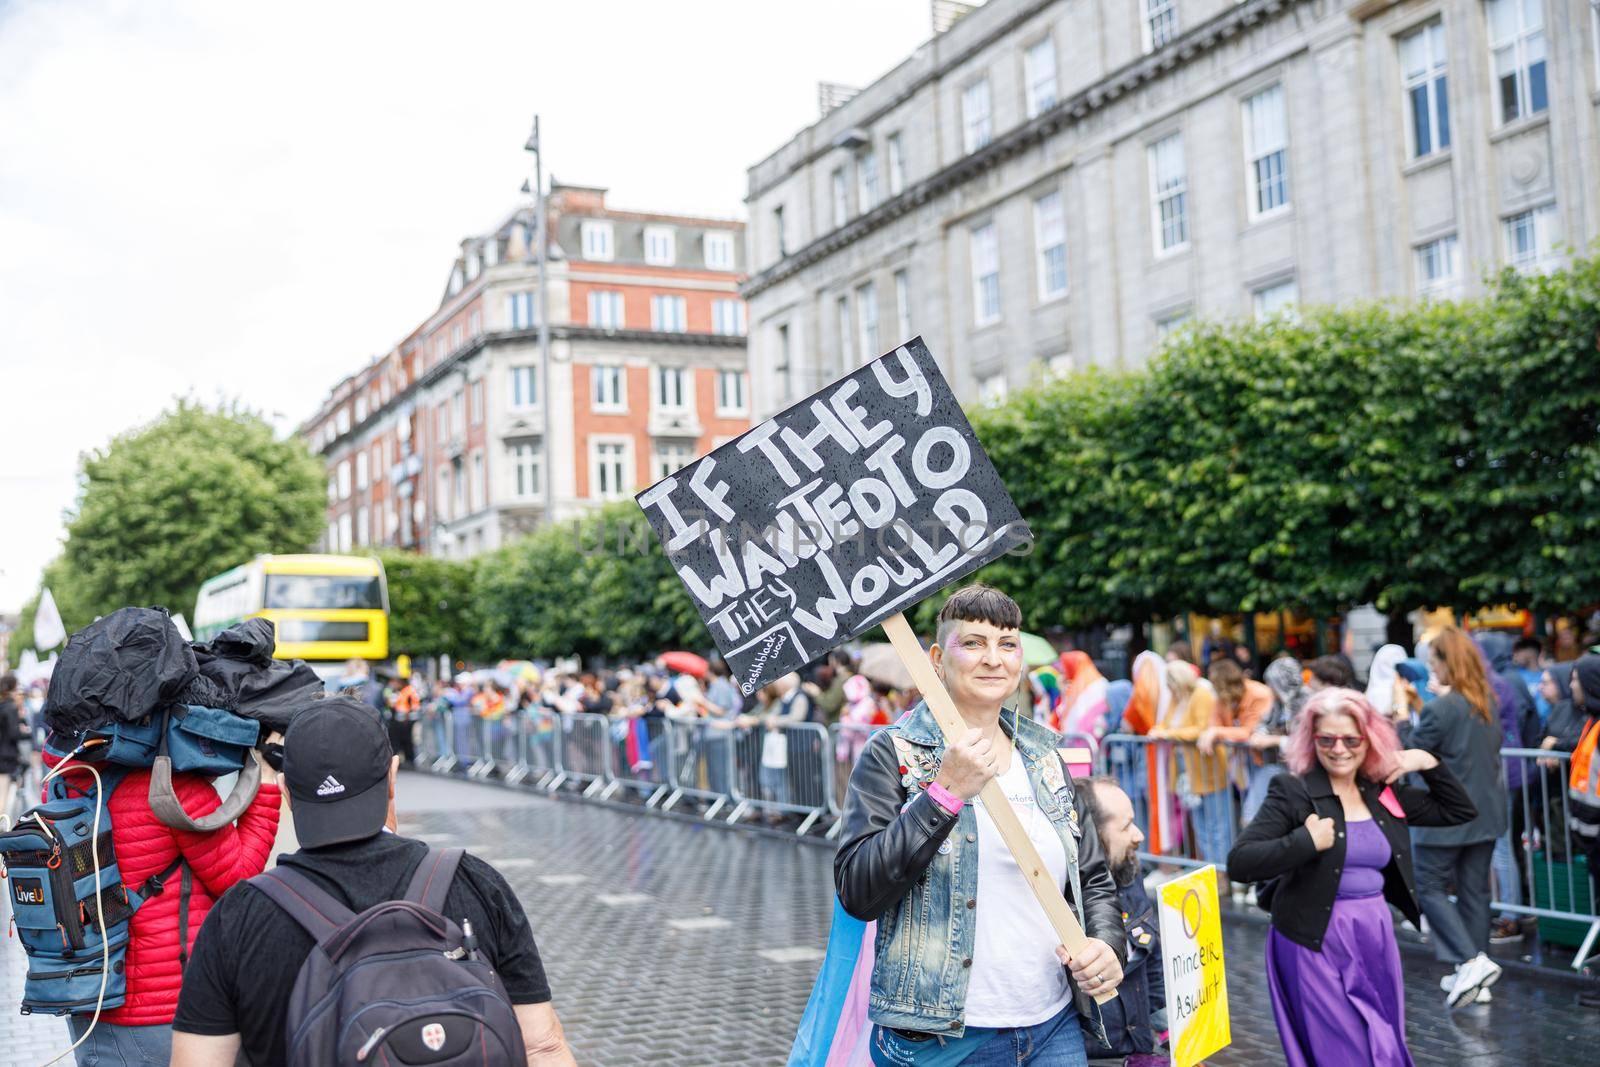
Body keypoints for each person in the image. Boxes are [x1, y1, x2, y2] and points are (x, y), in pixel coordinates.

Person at [170, 697, 577, 1066]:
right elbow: (542, 1046)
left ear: (287, 793)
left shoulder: (241, 915)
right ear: (392, 775)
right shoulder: (475, 883)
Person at [836, 584, 1125, 1064]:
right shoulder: (893, 754)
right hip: (945, 1037)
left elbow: (1092, 877)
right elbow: (858, 890)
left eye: (1006, 644)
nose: (993, 659)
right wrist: (944, 794)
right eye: (972, 643)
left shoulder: (1046, 756)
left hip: (1053, 1027)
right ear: (935, 657)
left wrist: (1106, 946)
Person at [1228, 688, 1476, 1064]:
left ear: (1369, 739)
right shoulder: (1294, 792)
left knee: (1383, 1038)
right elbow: (1240, 862)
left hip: (1373, 937)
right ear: (1312, 741)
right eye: (1326, 739)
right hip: (1311, 940)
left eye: (1351, 739)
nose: (1339, 749)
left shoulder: (1379, 791)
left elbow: (1458, 811)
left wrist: (1426, 761)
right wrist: (1304, 841)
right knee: (1343, 1050)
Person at [43, 724, 282, 1064]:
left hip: (89, 1012)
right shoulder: (174, 789)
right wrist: (268, 781)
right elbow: (237, 878)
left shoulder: (64, 784)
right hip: (169, 1018)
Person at [1405, 625, 1509, 1006]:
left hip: (1448, 814)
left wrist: (1406, 715)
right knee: (1474, 893)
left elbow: (1412, 752)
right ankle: (1476, 971)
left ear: (1448, 663)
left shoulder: (1442, 707)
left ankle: (1470, 962)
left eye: (1434, 662)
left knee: (1428, 886)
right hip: (1485, 812)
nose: (1431, 668)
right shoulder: (1484, 701)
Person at [1074, 776, 1166, 1064]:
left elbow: (1154, 962)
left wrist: (1167, 1032)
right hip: (1095, 1056)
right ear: (1093, 835)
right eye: (1126, 826)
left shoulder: (1128, 869)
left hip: (1137, 1047)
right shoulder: (1065, 901)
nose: (1139, 835)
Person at [1148, 661, 1233, 870]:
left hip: (1208, 768)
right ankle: (1210, 869)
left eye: (1171, 683)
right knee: (1200, 824)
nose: (1169, 688)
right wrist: (1158, 730)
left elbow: (1202, 729)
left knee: (1217, 825)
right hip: (1187, 771)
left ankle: (1223, 871)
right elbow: (1165, 724)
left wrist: (1167, 734)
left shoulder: (1201, 695)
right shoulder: (1177, 699)